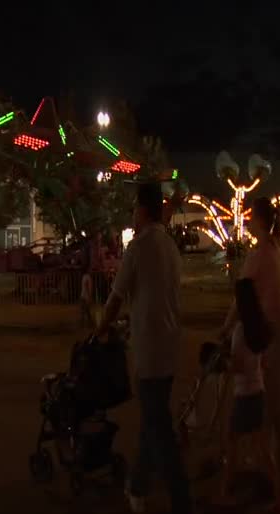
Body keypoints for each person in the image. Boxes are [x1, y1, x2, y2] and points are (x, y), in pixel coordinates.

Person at [96, 182, 191, 514]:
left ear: (144, 210)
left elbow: (116, 298)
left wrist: (102, 326)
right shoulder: (170, 247)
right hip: (169, 344)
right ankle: (136, 485)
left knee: (160, 428)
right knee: (154, 419)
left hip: (149, 349)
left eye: (134, 208)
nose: (132, 214)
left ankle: (181, 498)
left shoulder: (138, 248)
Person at [221, 197, 280, 490]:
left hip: (279, 333)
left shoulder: (260, 253)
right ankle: (267, 464)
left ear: (259, 220)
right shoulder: (274, 248)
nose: (248, 220)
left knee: (277, 404)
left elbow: (240, 296)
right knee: (272, 401)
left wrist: (226, 327)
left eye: (251, 216)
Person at [216, 324, 280, 510]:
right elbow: (263, 362)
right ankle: (279, 496)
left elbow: (238, 366)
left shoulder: (240, 330)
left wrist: (225, 361)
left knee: (231, 443)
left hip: (244, 395)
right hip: (257, 391)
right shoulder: (257, 326)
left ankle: (225, 494)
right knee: (261, 448)